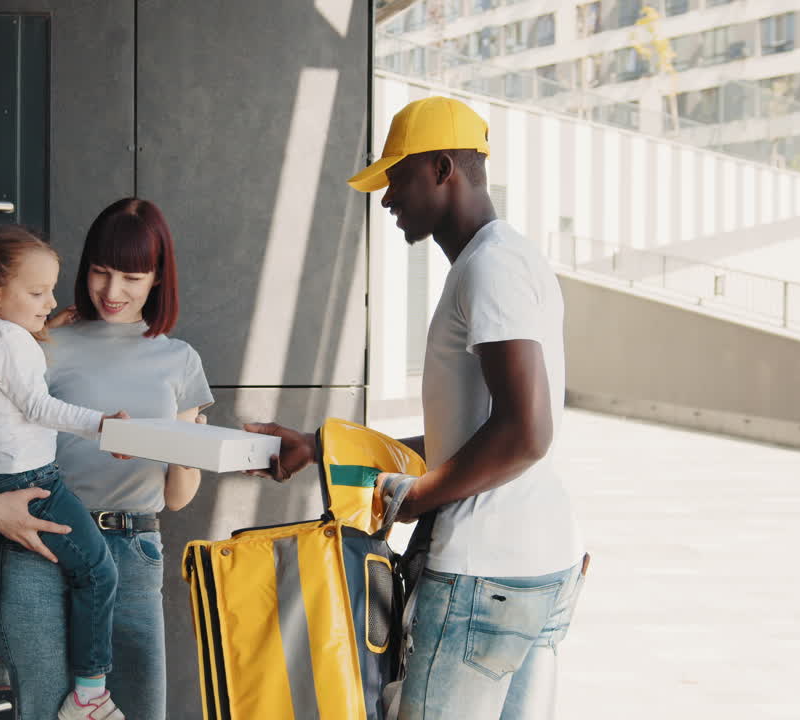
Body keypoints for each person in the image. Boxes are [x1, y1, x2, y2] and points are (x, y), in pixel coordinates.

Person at [245, 96, 587, 720]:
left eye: (395, 177)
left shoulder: (489, 268)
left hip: (482, 575)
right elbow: (471, 436)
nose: (387, 198)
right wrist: (322, 448)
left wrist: (417, 497)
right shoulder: (506, 258)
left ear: (441, 168)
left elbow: (526, 432)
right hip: (534, 564)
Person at [0, 198, 213, 720]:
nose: (113, 292)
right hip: (40, 543)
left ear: (158, 278)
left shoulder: (179, 360)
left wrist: (188, 446)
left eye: (132, 277)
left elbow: (177, 498)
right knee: (43, 711)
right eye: (100, 272)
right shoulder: (38, 340)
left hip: (133, 555)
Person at [0, 224, 132, 719]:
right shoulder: (12, 341)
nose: (48, 300)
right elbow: (35, 405)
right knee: (97, 571)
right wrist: (102, 426)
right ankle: (90, 693)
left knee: (78, 568)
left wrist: (43, 325)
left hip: (2, 480)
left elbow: (7, 392)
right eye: (36, 292)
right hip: (32, 482)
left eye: (50, 290)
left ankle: (9, 653)